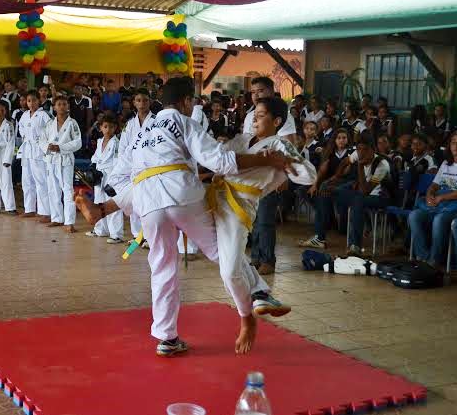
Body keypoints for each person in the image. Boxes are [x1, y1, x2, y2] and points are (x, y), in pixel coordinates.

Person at [128, 77, 298, 356]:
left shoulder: (143, 132)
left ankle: (167, 339)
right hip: (180, 194)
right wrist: (264, 159)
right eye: (192, 101)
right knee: (221, 249)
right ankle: (258, 292)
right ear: (186, 101)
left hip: (147, 201)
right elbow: (220, 161)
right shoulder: (184, 122)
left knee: (161, 268)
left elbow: (126, 171)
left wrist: (117, 204)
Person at [243, 77, 296, 275]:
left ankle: (267, 260)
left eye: (261, 91)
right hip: (253, 173)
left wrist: (284, 174)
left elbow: (290, 144)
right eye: (253, 92)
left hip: (272, 173)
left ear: (271, 92)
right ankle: (256, 257)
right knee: (254, 218)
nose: (256, 95)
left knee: (265, 217)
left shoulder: (282, 114)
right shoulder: (250, 115)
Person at [410, 132, 457, 267]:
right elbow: (434, 185)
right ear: (449, 145)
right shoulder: (446, 163)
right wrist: (429, 195)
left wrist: (441, 197)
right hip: (444, 205)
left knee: (439, 219)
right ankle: (423, 257)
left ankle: (434, 260)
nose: (456, 146)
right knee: (414, 215)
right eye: (453, 142)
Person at [334, 131, 393, 255]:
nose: (361, 153)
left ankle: (355, 245)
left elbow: (366, 191)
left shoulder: (382, 165)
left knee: (358, 201)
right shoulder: (358, 153)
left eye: (365, 149)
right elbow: (344, 162)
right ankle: (321, 236)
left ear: (373, 149)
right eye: (359, 149)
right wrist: (336, 177)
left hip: (380, 197)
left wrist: (360, 167)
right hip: (362, 196)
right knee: (334, 191)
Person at [300, 128, 353, 249]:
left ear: (348, 139)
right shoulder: (330, 152)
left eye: (344, 138)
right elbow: (322, 170)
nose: (341, 140)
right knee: (308, 191)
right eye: (338, 138)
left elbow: (345, 172)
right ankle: (325, 225)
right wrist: (315, 184)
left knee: (324, 195)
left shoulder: (351, 152)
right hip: (329, 184)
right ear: (334, 140)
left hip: (345, 183)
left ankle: (321, 235)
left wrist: (326, 184)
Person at [40, 95, 82, 233]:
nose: (62, 106)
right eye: (59, 104)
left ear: (68, 106)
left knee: (68, 190)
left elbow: (78, 142)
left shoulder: (72, 123)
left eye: (64, 104)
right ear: (54, 107)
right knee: (53, 189)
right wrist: (48, 147)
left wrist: (60, 148)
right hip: (51, 159)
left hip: (65, 160)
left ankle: (69, 222)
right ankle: (57, 218)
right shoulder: (49, 124)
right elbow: (42, 140)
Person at [120, 88, 156, 245]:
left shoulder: (157, 121)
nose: (142, 103)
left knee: (150, 203)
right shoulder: (130, 125)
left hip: (151, 168)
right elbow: (123, 148)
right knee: (135, 203)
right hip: (133, 169)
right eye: (139, 100)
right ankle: (137, 236)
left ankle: (149, 236)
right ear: (134, 103)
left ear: (150, 102)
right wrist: (123, 168)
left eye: (145, 100)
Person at [86, 114, 123, 243]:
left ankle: (116, 234)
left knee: (112, 203)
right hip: (99, 174)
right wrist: (92, 167)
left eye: (111, 127)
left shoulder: (116, 143)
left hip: (111, 175)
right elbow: (96, 157)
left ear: (115, 128)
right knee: (99, 202)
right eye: (105, 127)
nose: (108, 130)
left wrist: (114, 181)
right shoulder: (100, 141)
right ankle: (100, 229)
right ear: (100, 127)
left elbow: (118, 162)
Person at [18, 90, 52, 221]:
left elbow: (51, 130)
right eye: (29, 101)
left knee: (41, 181)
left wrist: (43, 143)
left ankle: (45, 212)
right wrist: (25, 137)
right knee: (26, 181)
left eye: (34, 100)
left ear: (39, 101)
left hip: (39, 151)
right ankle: (29, 209)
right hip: (27, 150)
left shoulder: (44, 115)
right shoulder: (25, 115)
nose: (31, 103)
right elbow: (21, 128)